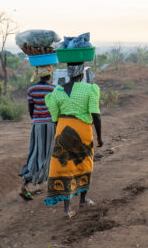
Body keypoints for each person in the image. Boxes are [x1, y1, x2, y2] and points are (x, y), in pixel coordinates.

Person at [44, 62, 103, 218]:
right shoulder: (90, 89)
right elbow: (95, 115)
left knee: (65, 168)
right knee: (84, 164)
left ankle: (66, 209)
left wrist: (62, 129)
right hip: (82, 132)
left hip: (63, 130)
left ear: (69, 74)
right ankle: (83, 200)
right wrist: (100, 137)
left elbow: (54, 118)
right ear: (82, 75)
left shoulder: (57, 91)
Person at [18, 65, 56, 200]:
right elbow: (56, 109)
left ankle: (26, 183)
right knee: (48, 155)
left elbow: (31, 109)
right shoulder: (54, 89)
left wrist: (37, 120)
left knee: (35, 153)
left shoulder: (31, 89)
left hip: (37, 125)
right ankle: (51, 183)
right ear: (49, 75)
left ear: (39, 75)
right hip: (50, 125)